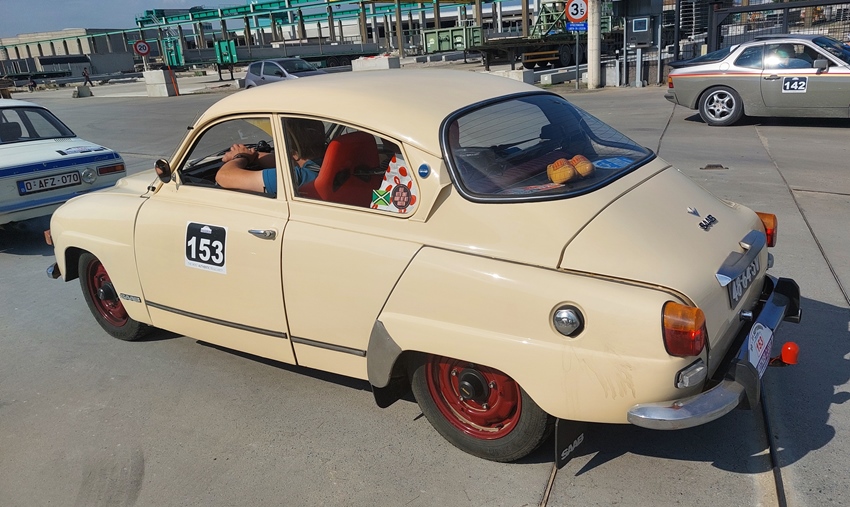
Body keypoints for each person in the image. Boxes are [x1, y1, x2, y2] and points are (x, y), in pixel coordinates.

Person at [215, 118, 325, 195]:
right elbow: (287, 161)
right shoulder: (323, 164)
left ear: (289, 149)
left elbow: (224, 176)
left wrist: (240, 156)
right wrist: (252, 155)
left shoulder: (296, 177)